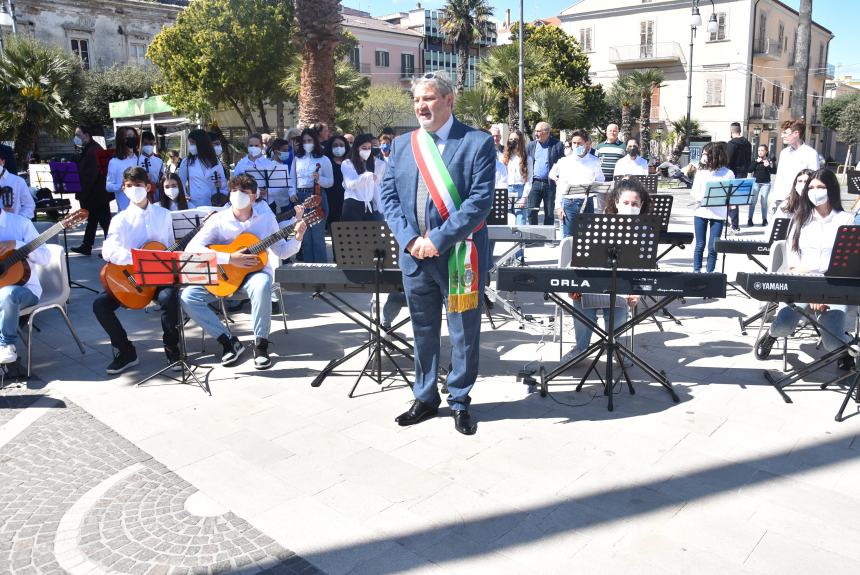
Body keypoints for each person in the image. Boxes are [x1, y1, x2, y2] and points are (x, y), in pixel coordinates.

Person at [379, 71, 494, 436]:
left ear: (449, 100)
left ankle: (459, 399)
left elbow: (479, 201)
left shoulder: (477, 143)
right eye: (416, 100)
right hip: (415, 257)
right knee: (423, 328)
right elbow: (388, 197)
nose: (421, 106)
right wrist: (411, 239)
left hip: (460, 255)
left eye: (428, 98)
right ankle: (425, 396)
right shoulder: (402, 146)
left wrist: (438, 239)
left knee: (463, 331)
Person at [181, 174, 306, 370]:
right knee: (188, 296)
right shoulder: (218, 219)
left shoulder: (266, 219)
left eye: (244, 192)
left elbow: (281, 250)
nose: (238, 195)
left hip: (253, 274)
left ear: (254, 197)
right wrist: (229, 258)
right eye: (234, 191)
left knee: (263, 284)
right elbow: (191, 248)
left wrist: (297, 237)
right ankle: (228, 341)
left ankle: (261, 345)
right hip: (223, 274)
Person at [755, 169, 857, 369]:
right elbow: (793, 263)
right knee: (784, 325)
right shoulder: (799, 219)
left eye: (820, 187)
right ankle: (770, 335)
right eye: (811, 187)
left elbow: (847, 264)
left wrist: (824, 294)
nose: (815, 191)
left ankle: (845, 347)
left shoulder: (845, 220)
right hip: (803, 284)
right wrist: (814, 293)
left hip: (834, 287)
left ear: (831, 189)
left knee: (831, 342)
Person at [92, 166, 180, 375]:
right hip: (130, 279)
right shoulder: (120, 219)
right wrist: (137, 258)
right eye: (129, 186)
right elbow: (108, 251)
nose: (134, 189)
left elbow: (169, 245)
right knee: (100, 305)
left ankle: (171, 346)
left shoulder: (164, 214)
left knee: (169, 297)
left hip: (158, 276)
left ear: (148, 187)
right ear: (123, 189)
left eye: (138, 185)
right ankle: (126, 351)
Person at [566, 178, 651, 358]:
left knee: (618, 316)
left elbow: (643, 269)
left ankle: (614, 346)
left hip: (621, 289)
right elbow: (581, 258)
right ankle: (580, 348)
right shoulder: (597, 226)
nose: (630, 207)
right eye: (626, 203)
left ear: (641, 204)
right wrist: (575, 283)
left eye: (635, 203)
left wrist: (637, 291)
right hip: (592, 284)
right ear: (616, 203)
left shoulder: (644, 231)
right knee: (581, 306)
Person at [0, 202, 50, 364]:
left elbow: (45, 257)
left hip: (25, 289)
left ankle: (6, 344)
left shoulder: (20, 224)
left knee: (8, 294)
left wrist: (17, 245)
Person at [289, 128, 333, 262]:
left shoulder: (324, 159)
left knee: (318, 237)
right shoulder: (297, 159)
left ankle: (322, 272)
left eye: (309, 140)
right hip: (301, 198)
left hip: (317, 197)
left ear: (315, 141)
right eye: (304, 141)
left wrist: (319, 178)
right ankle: (309, 270)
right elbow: (292, 178)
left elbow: (330, 182)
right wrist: (292, 193)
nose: (307, 143)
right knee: (305, 236)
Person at [551, 129, 605, 238]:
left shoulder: (595, 161)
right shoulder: (564, 162)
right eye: (574, 143)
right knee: (568, 237)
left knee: (588, 237)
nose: (576, 146)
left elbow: (601, 180)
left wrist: (594, 185)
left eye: (579, 143)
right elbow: (561, 185)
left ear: (587, 144)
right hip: (569, 203)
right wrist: (558, 206)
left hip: (587, 202)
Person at [691, 142, 735, 273]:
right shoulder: (701, 172)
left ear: (714, 155)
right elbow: (694, 192)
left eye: (706, 153)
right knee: (699, 245)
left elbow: (731, 194)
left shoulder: (728, 173)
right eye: (703, 153)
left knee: (713, 246)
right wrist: (702, 198)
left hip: (718, 213)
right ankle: (696, 271)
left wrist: (729, 201)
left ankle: (710, 273)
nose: (703, 156)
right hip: (701, 211)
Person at [71, 126, 111, 255]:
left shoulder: (93, 150)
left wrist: (82, 193)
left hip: (96, 194)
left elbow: (90, 175)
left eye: (78, 135)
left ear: (87, 135)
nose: (76, 138)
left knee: (105, 223)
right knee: (93, 220)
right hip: (94, 194)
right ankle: (87, 245)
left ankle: (111, 247)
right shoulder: (89, 149)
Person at [770, 119, 820, 212]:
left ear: (796, 133)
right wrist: (774, 199)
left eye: (785, 133)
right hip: (782, 199)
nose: (782, 136)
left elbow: (815, 179)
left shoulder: (811, 153)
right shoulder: (784, 153)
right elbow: (779, 177)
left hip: (801, 200)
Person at [526, 121, 565, 225]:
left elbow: (562, 164)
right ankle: (532, 237)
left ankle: (548, 237)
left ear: (547, 132)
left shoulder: (557, 145)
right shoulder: (531, 146)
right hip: (535, 183)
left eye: (538, 131)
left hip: (550, 184)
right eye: (535, 131)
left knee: (549, 213)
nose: (536, 134)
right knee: (531, 211)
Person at [177, 129, 227, 208]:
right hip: (195, 204)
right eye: (190, 143)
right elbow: (180, 183)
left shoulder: (215, 161)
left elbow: (224, 184)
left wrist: (221, 185)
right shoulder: (187, 162)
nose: (191, 146)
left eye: (193, 143)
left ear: (201, 143)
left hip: (214, 204)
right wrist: (184, 197)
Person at [341, 134, 385, 222]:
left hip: (368, 205)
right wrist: (367, 175)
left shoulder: (369, 164)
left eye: (369, 148)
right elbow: (350, 184)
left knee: (370, 234)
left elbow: (374, 187)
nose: (367, 151)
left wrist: (380, 206)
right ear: (357, 148)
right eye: (364, 148)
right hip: (352, 204)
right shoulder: (347, 163)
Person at [503, 129, 531, 264]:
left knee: (520, 226)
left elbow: (529, 180)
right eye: (510, 139)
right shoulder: (505, 158)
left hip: (520, 190)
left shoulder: (527, 158)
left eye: (515, 140)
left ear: (520, 141)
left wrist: (524, 197)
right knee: (508, 226)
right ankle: (507, 257)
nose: (512, 142)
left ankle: (519, 258)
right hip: (507, 190)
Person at [233, 133, 278, 205]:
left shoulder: (269, 164)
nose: (254, 147)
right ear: (247, 146)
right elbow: (235, 184)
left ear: (261, 146)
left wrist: (268, 191)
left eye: (256, 145)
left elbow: (278, 184)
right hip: (247, 203)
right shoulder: (241, 164)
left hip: (267, 202)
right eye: (251, 145)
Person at [726, 122, 752, 233]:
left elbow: (728, 160)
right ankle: (731, 223)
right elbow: (749, 159)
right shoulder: (748, 143)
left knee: (731, 200)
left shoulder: (731, 144)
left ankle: (734, 226)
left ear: (731, 131)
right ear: (740, 130)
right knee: (734, 200)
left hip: (732, 173)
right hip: (743, 173)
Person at [106, 127, 140, 212]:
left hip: (142, 205)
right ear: (121, 139)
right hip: (125, 207)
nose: (132, 138)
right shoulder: (114, 162)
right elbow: (108, 186)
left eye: (133, 136)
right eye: (128, 136)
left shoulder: (140, 158)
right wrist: (120, 186)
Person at [0, 153, 35, 219]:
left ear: (3, 161)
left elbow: (29, 205)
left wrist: (19, 219)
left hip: (12, 226)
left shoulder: (18, 181)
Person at [325, 134, 349, 227]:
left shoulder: (351, 161)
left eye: (341, 145)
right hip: (330, 200)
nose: (338, 147)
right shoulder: (326, 161)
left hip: (347, 201)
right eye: (335, 145)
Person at [749, 144, 776, 226]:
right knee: (753, 201)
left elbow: (774, 171)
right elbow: (749, 170)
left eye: (762, 150)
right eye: (759, 150)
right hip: (756, 182)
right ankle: (750, 219)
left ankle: (764, 219)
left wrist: (768, 166)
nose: (760, 152)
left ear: (766, 151)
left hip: (766, 183)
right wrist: (756, 163)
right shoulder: (755, 160)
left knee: (764, 201)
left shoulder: (770, 160)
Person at [269, 138, 294, 214]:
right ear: (276, 152)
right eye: (284, 150)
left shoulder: (284, 165)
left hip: (286, 202)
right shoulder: (270, 166)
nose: (287, 153)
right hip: (277, 205)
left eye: (287, 150)